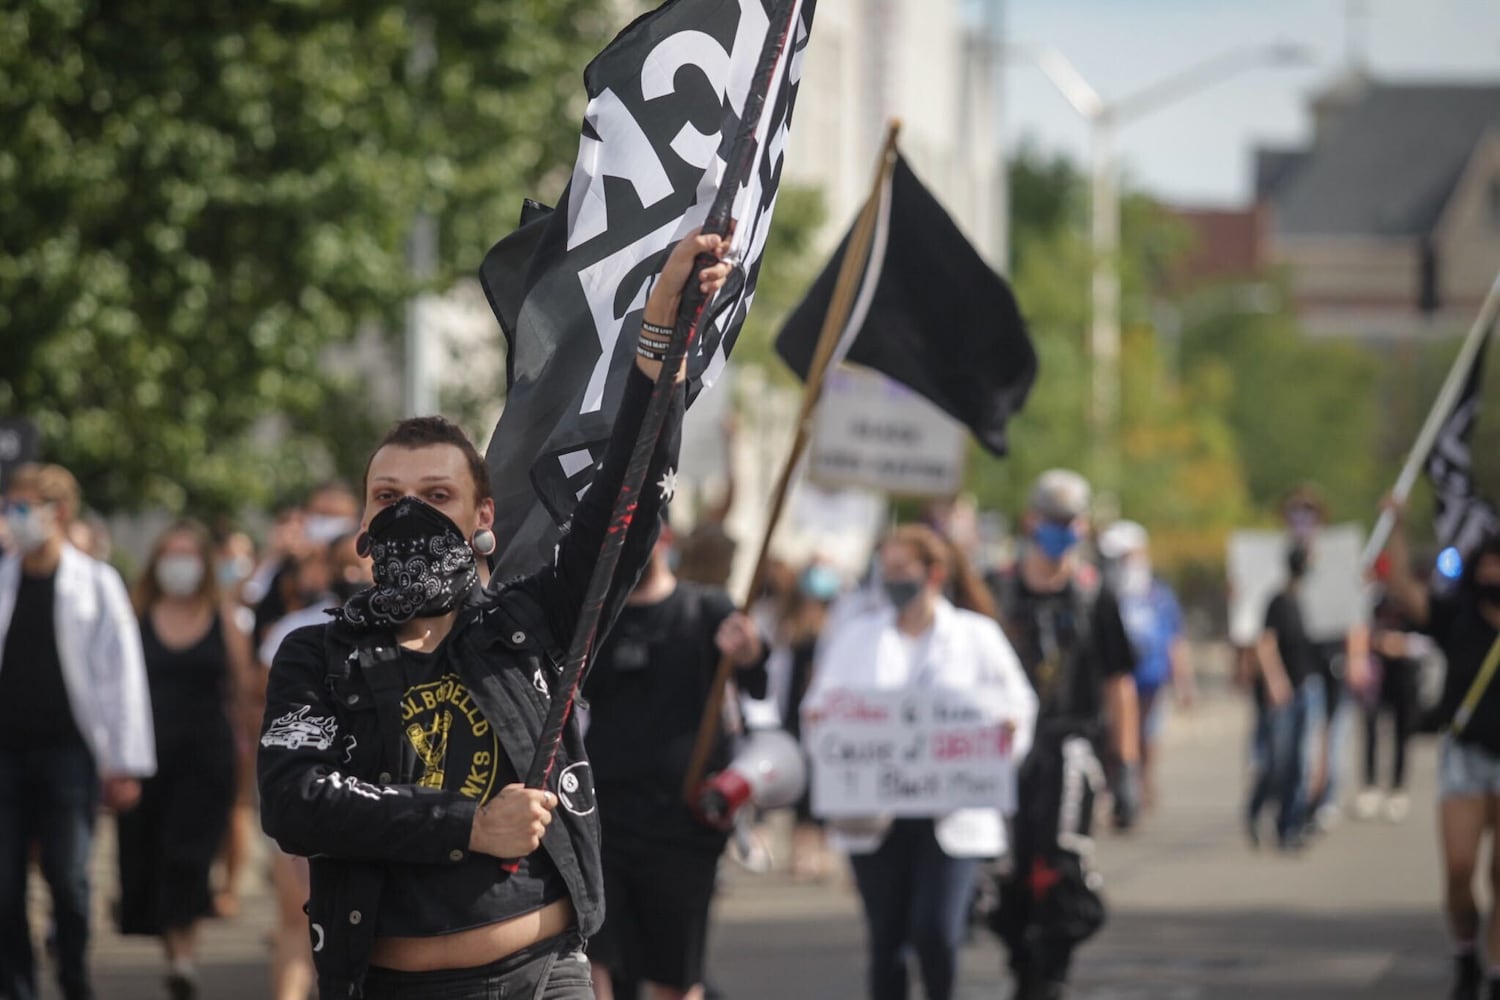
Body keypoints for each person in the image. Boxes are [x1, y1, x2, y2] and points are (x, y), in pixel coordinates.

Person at [257, 231, 728, 1000]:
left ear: (484, 516)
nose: (411, 515)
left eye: (437, 498)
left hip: (543, 978)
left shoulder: (534, 622)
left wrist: (661, 343)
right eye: (389, 499)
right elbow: (296, 800)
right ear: (363, 530)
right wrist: (469, 826)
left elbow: (627, 507)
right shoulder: (317, 656)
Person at [804, 523, 1036, 1000]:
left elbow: (1019, 705)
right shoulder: (857, 636)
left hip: (951, 812)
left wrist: (1005, 734)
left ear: (933, 573)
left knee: (936, 932)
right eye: (883, 570)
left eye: (900, 570)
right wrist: (826, 723)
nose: (889, 580)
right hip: (875, 815)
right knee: (886, 942)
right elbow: (818, 708)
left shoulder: (976, 635)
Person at [581, 518, 768, 1000]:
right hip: (606, 825)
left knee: (674, 975)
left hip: (683, 826)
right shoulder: (595, 619)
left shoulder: (706, 609)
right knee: (593, 964)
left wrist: (748, 652)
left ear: (662, 539)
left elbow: (757, 679)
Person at [0, 463, 156, 1000]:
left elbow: (123, 678)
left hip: (70, 753)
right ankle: (17, 988)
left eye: (22, 508)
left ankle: (73, 981)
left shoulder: (96, 582)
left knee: (68, 879)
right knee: (3, 885)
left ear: (57, 512)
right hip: (5, 754)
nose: (12, 519)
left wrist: (126, 762)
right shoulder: (3, 576)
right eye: (10, 507)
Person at [992, 469, 1138, 1000]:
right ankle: (1020, 962)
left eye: (1072, 522)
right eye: (1054, 521)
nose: (1063, 531)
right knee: (1003, 863)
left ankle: (1051, 973)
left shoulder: (1095, 595)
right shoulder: (996, 590)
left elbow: (1119, 681)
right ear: (1031, 521)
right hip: (1006, 747)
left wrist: (1126, 764)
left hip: (1072, 744)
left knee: (1062, 860)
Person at [115, 520, 255, 999]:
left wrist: (250, 756)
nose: (180, 565)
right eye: (170, 553)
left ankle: (184, 957)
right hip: (147, 757)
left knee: (189, 856)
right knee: (150, 854)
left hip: (206, 758)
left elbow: (241, 692)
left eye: (188, 554)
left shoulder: (224, 618)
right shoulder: (136, 615)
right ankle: (170, 944)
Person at [1382, 503, 1500, 1000]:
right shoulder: (1458, 617)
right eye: (1488, 562)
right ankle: (1465, 951)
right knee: (1459, 869)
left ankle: (1495, 973)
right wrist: (1395, 526)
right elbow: (1405, 592)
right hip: (1465, 757)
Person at [256, 532, 374, 1000]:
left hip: (368, 804)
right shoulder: (300, 633)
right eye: (342, 565)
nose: (353, 575)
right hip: (308, 793)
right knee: (298, 917)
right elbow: (269, 711)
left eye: (360, 563)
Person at [1097, 521, 1194, 811]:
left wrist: (1184, 681)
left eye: (1128, 556)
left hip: (1150, 679)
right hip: (1114, 680)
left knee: (1147, 735)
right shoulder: (1101, 594)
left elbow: (1175, 639)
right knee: (1113, 734)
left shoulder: (1159, 594)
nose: (1123, 564)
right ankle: (1114, 790)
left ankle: (1142, 785)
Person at [1245, 543, 1323, 851]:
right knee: (1277, 761)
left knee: (1299, 763)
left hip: (1306, 688)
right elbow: (1266, 643)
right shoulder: (1278, 601)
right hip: (1284, 694)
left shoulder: (1305, 600)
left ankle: (1289, 826)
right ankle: (1255, 810)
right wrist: (1276, 682)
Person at [1353, 557, 1424, 824]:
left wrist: (1403, 644)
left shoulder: (1414, 601)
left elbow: (1430, 640)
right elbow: (1358, 630)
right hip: (1376, 675)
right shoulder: (1371, 600)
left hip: (1405, 675)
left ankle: (1397, 788)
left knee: (1401, 733)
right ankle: (1370, 786)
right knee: (1370, 729)